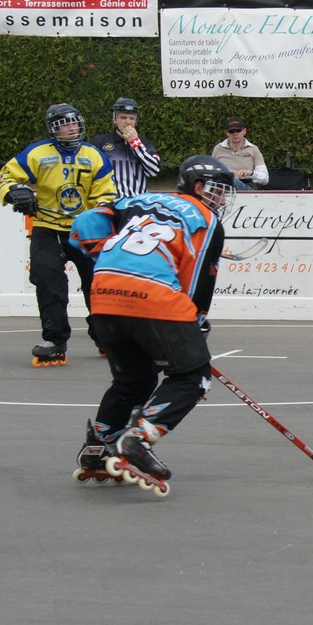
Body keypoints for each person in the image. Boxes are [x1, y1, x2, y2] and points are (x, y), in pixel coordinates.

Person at [66, 155, 233, 498]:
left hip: (105, 293)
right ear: (199, 187)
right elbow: (199, 277)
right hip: (153, 296)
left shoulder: (136, 200)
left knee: (134, 379)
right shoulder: (206, 218)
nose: (222, 199)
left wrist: (107, 256)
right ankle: (138, 438)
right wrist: (197, 319)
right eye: (219, 191)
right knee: (194, 377)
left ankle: (99, 445)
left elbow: (84, 222)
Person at [0, 103, 116, 367]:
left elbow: (107, 194)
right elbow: (5, 178)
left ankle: (106, 336)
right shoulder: (37, 153)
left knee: (99, 285)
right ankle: (55, 341)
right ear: (53, 129)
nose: (71, 128)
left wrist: (98, 215)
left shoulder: (95, 156)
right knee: (49, 283)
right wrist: (14, 192)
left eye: (74, 122)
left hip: (85, 230)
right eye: (64, 124)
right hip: (47, 227)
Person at [91, 97, 160, 198]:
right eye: (123, 117)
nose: (128, 122)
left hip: (138, 201)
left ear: (136, 121)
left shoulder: (144, 142)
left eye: (132, 118)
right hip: (111, 202)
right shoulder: (101, 142)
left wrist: (135, 143)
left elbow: (153, 171)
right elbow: (91, 173)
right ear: (115, 119)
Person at [212, 117, 269, 189]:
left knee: (232, 181)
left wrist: (250, 173)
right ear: (227, 133)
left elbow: (265, 178)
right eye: (231, 131)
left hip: (246, 185)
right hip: (222, 185)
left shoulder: (253, 149)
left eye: (238, 130)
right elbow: (211, 172)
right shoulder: (218, 149)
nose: (235, 134)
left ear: (244, 131)